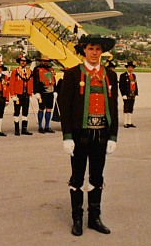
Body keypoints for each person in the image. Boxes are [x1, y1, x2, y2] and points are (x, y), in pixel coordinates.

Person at [59, 34, 118, 236]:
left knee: (97, 176)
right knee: (77, 176)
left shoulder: (110, 75)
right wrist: (67, 136)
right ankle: (77, 218)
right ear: (84, 50)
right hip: (79, 134)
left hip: (101, 134)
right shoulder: (73, 74)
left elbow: (114, 107)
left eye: (98, 49)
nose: (94, 53)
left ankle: (94, 217)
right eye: (91, 49)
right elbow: (64, 106)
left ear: (102, 52)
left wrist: (113, 136)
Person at [9, 54, 33, 136]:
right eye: (21, 61)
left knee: (25, 112)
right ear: (19, 62)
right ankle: (16, 129)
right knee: (17, 112)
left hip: (26, 94)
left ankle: (24, 129)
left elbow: (31, 83)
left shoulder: (30, 71)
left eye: (24, 61)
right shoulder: (15, 71)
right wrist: (12, 95)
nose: (23, 62)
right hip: (18, 95)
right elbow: (11, 83)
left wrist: (31, 92)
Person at [33, 55, 56, 134]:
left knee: (49, 109)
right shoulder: (37, 69)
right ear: (41, 61)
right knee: (41, 108)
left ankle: (47, 126)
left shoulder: (51, 69)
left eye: (46, 61)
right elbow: (35, 81)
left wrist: (55, 91)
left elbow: (53, 80)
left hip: (50, 91)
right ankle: (40, 126)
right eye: (43, 61)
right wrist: (36, 92)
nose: (45, 62)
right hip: (42, 92)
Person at [119, 61, 138, 128]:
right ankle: (125, 122)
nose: (130, 69)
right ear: (127, 68)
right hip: (126, 94)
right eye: (129, 67)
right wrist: (123, 94)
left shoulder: (133, 75)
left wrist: (136, 93)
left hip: (132, 94)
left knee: (131, 108)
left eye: (132, 68)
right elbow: (121, 86)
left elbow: (135, 85)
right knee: (126, 108)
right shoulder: (123, 76)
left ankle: (129, 122)